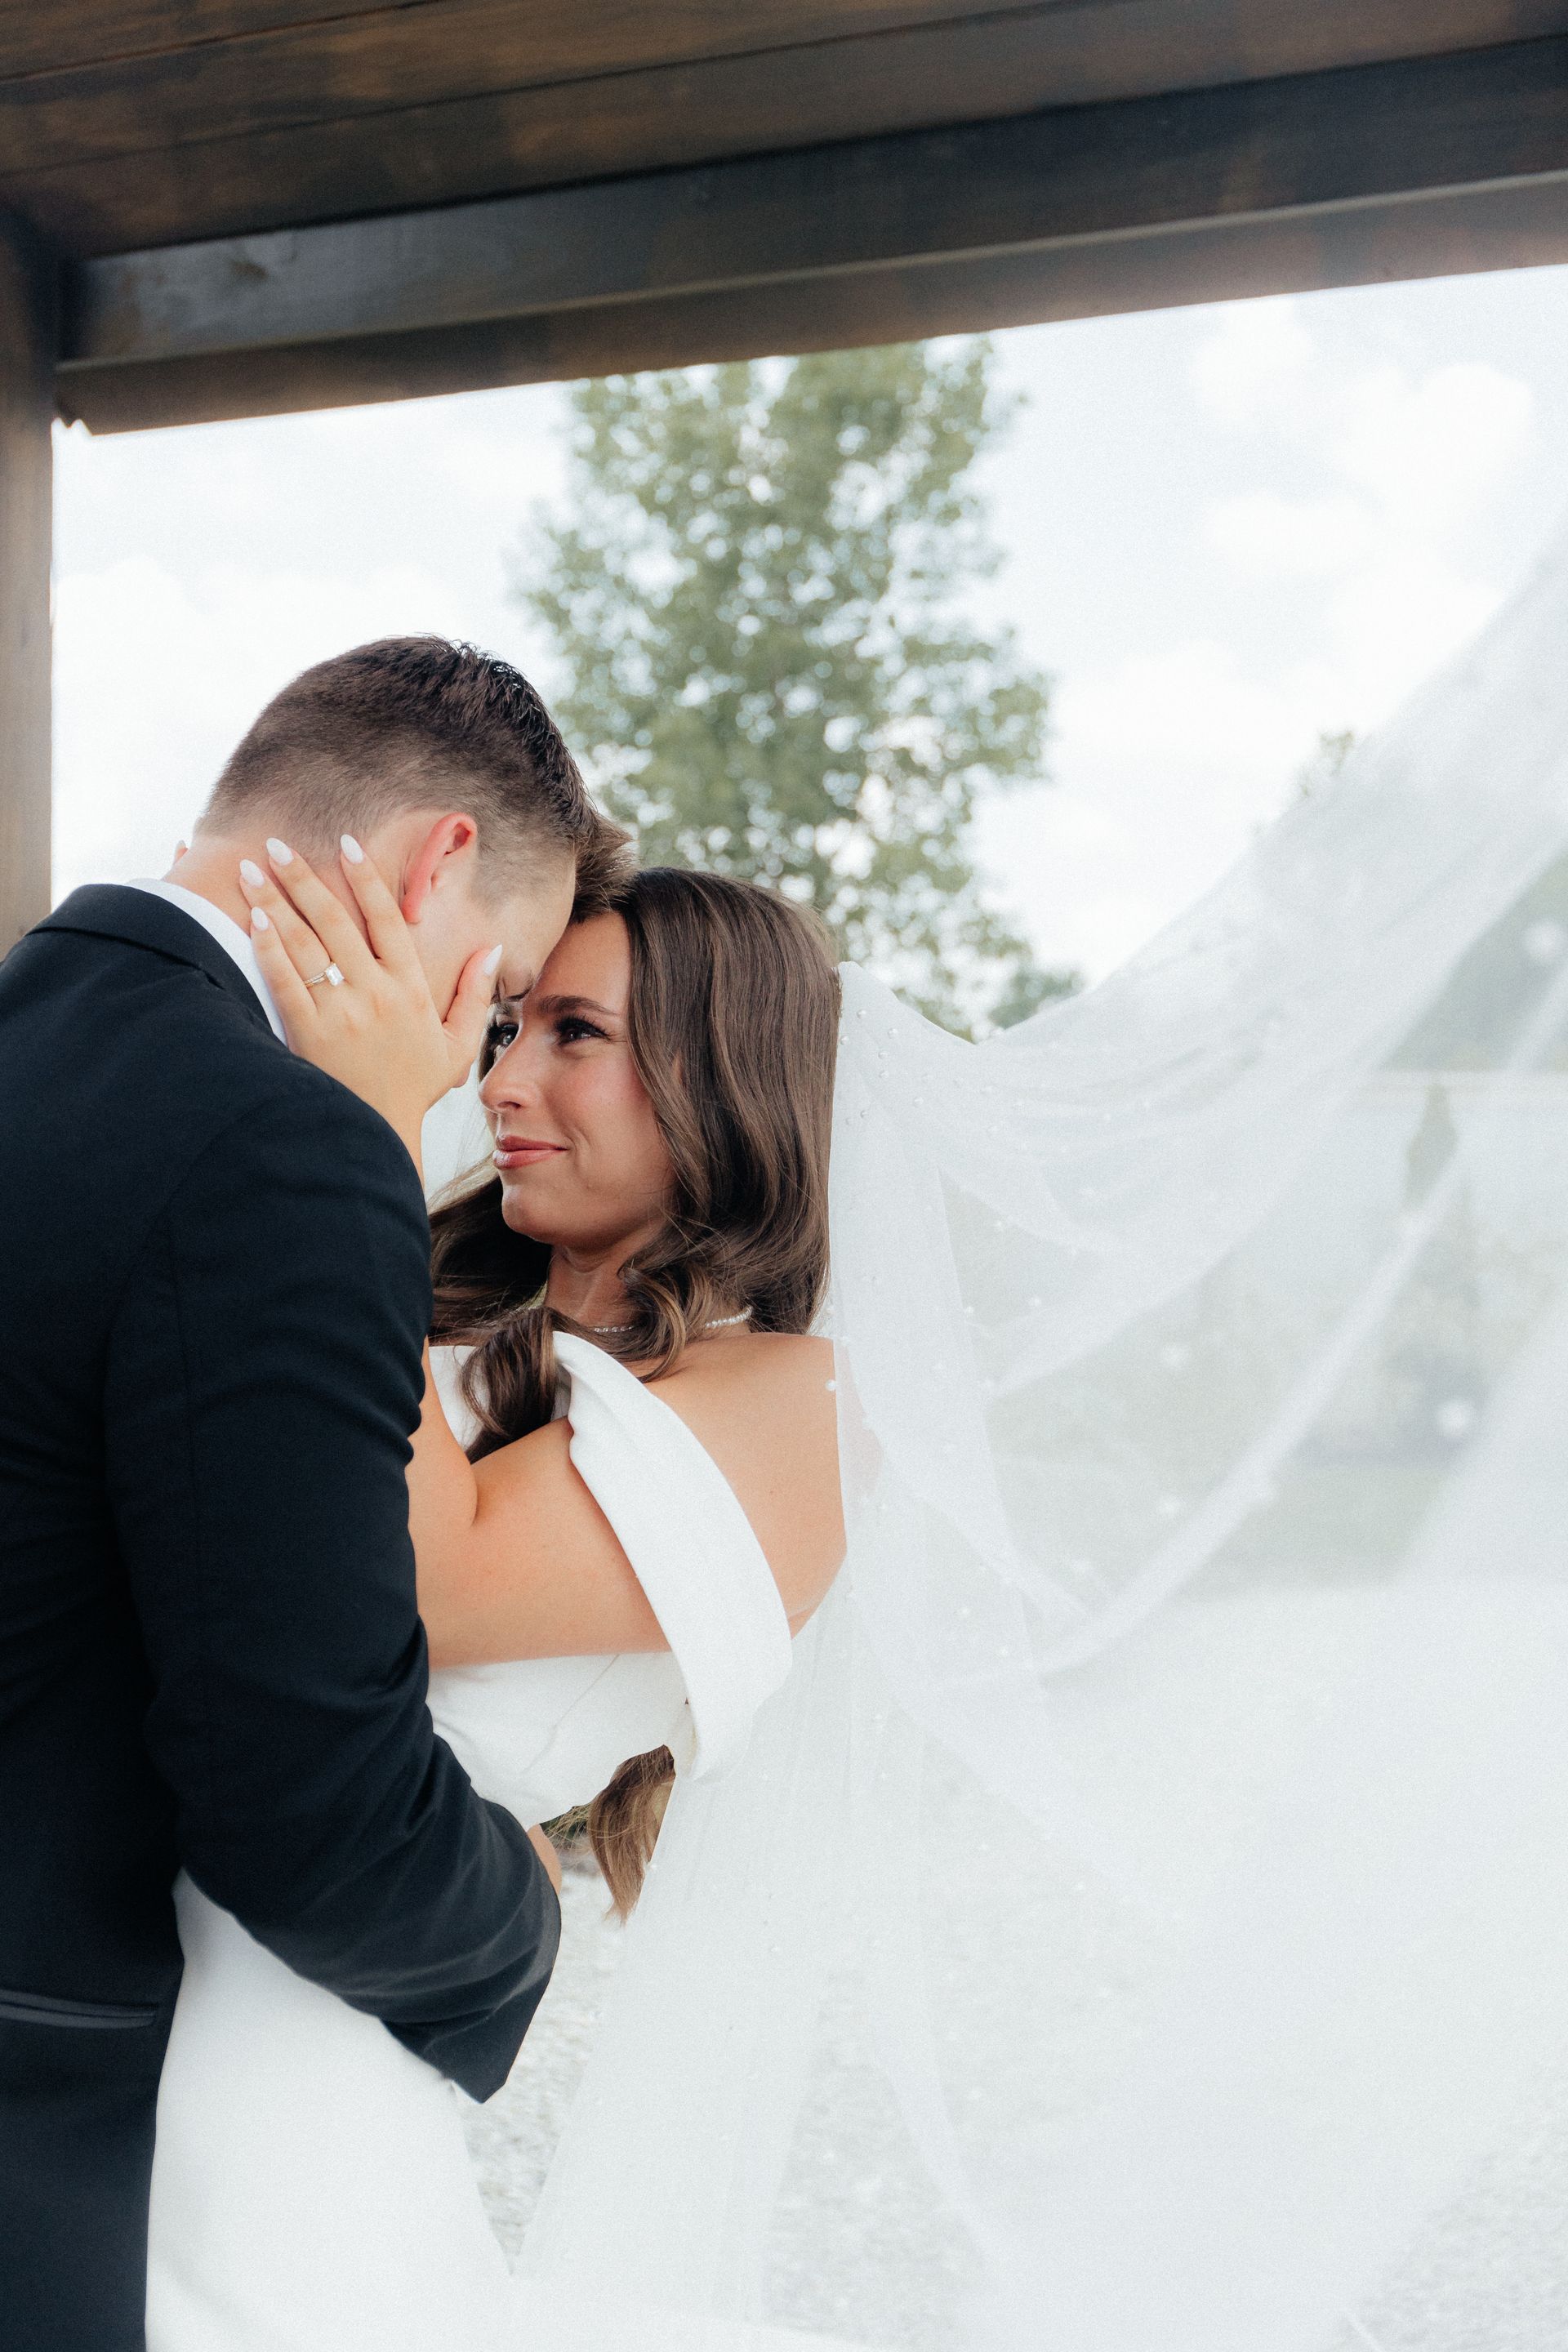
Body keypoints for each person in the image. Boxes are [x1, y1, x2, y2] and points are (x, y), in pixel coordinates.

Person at [142, 845, 846, 2348]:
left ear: (725, 1071)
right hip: (123, 1986)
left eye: (574, 1034)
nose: (505, 1077)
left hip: (290, 2066)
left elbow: (408, 1582)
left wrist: (364, 1136)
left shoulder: (786, 1400)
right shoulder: (454, 1320)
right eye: (510, 1027)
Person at [0, 637, 617, 2351]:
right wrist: (516, 1919)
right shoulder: (281, 1147)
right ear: (439, 869)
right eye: (500, 1002)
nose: (484, 1076)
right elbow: (302, 1794)